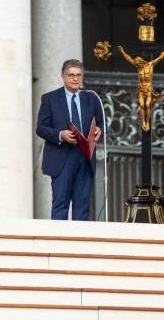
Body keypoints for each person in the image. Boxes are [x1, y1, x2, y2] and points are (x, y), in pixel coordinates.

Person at [36, 59, 104, 221]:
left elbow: (100, 121)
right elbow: (41, 128)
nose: (75, 79)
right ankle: (58, 244)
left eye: (79, 75)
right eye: (71, 75)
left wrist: (100, 129)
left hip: (85, 156)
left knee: (82, 206)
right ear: (63, 77)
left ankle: (80, 244)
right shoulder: (50, 98)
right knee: (61, 204)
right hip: (62, 156)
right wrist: (61, 134)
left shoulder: (91, 98)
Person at [119, 42, 164, 132]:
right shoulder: (139, 67)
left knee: (147, 105)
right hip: (141, 89)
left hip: (148, 89)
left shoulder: (150, 65)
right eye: (136, 65)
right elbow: (128, 58)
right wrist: (122, 51)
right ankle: (143, 123)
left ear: (141, 62)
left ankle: (147, 122)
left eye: (138, 64)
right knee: (142, 105)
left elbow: (161, 56)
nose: (137, 66)